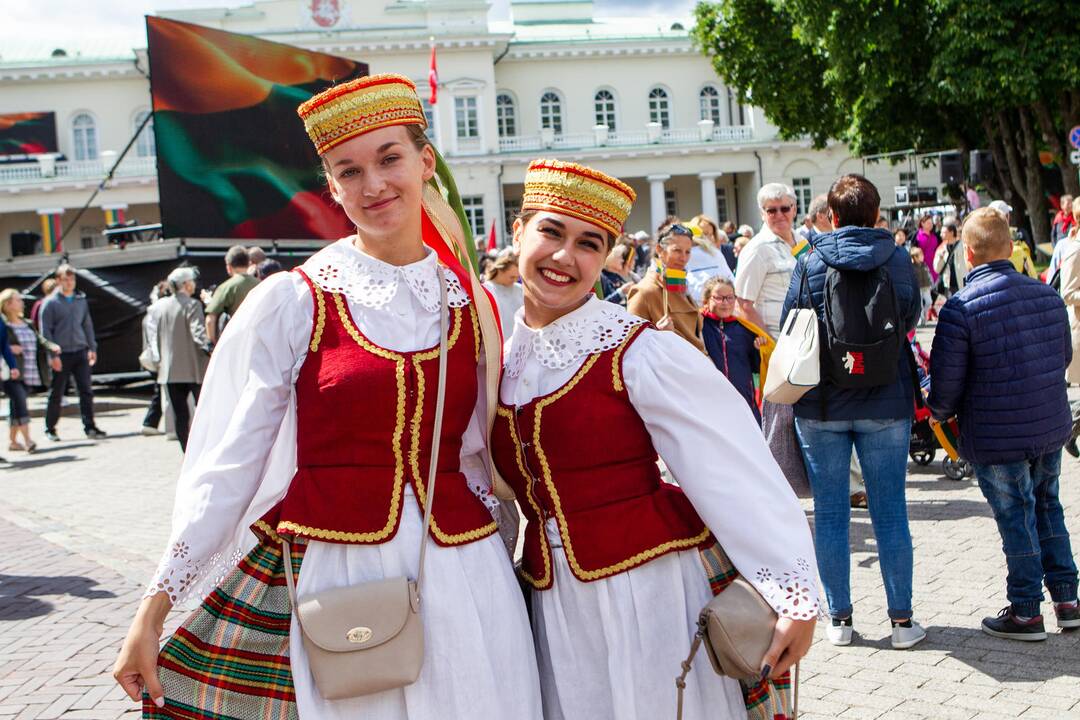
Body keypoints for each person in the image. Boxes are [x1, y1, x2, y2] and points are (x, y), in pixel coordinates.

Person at [113, 74, 540, 719]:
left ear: (426, 162)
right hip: (339, 577)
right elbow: (231, 462)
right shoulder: (295, 300)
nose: (374, 185)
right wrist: (154, 608)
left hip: (468, 575)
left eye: (390, 158)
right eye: (349, 171)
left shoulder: (469, 306)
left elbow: (481, 455)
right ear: (332, 189)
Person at [492, 158, 818, 720]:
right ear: (518, 232)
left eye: (590, 244)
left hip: (648, 596)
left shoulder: (637, 351)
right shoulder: (498, 354)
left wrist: (794, 593)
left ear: (608, 259)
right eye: (550, 231)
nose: (566, 256)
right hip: (554, 604)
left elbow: (736, 469)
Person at [781, 174, 924, 649]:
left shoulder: (811, 258)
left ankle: (839, 620)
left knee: (830, 513)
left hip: (822, 403)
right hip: (886, 399)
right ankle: (902, 622)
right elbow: (911, 314)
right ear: (877, 214)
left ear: (832, 217)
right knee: (890, 511)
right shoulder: (898, 257)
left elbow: (790, 322)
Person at [929, 207, 1079, 640]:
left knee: (1018, 517)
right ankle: (1068, 601)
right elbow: (1063, 359)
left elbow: (946, 385)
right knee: (1049, 508)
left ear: (968, 256)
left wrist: (938, 410)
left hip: (997, 434)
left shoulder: (961, 306)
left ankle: (1026, 609)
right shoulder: (1046, 295)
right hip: (1049, 424)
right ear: (1011, 249)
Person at [39, 264, 105, 441]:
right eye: (66, 279)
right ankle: (50, 428)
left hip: (80, 351)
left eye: (72, 279)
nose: (69, 283)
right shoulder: (50, 303)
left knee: (86, 391)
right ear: (59, 281)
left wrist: (92, 348)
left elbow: (87, 325)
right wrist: (52, 355)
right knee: (57, 392)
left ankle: (90, 427)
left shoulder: (80, 300)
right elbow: (45, 332)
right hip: (62, 354)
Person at [148, 267, 210, 452]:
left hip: (169, 370)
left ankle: (186, 451)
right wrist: (209, 348)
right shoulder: (192, 305)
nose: (194, 285)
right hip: (193, 369)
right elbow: (198, 332)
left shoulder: (159, 306)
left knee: (180, 414)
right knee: (203, 410)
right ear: (185, 284)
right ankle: (203, 448)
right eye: (192, 281)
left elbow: (154, 336)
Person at [700, 276, 772, 423]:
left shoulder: (745, 330)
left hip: (744, 403)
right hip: (711, 403)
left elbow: (757, 369)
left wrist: (759, 351)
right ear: (706, 300)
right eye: (719, 298)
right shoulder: (699, 325)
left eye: (730, 298)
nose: (725, 303)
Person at [627, 223, 705, 352]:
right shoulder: (644, 291)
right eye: (677, 250)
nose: (683, 258)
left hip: (697, 364)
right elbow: (631, 345)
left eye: (688, 252)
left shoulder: (681, 284)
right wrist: (657, 335)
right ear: (659, 250)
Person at [735, 183, 800, 337]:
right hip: (778, 340)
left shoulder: (802, 241)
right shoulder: (757, 249)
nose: (779, 215)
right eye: (771, 210)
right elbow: (744, 304)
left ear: (794, 209)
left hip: (804, 337)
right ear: (762, 214)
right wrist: (770, 343)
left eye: (785, 208)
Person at [1, 289, 57, 453]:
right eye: (18, 300)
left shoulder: (26, 323)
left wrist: (52, 348)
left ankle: (12, 441)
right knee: (20, 402)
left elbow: (40, 340)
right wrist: (10, 349)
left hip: (29, 370)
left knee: (16, 405)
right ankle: (28, 440)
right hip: (10, 371)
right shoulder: (3, 325)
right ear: (7, 305)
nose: (22, 303)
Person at [204, 245, 259, 345]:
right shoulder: (261, 284)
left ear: (228, 266)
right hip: (257, 342)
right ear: (249, 263)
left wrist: (211, 345)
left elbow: (210, 320)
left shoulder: (226, 287)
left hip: (234, 342)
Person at [140, 281, 172, 436]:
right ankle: (151, 423)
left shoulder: (152, 312)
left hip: (156, 358)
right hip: (158, 358)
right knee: (161, 392)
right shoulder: (156, 312)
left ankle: (150, 423)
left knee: (159, 391)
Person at [685, 215, 735, 304]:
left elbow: (731, 282)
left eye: (711, 234)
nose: (709, 238)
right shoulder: (685, 255)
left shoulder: (716, 254)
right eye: (704, 234)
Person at [482, 247, 524, 337]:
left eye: (517, 277)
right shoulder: (486, 289)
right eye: (512, 277)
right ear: (500, 270)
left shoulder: (519, 289)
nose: (515, 280)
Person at [932, 217, 968, 300]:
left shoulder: (962, 245)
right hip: (948, 285)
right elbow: (937, 269)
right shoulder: (942, 248)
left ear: (951, 232)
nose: (941, 234)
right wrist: (940, 257)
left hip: (962, 282)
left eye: (943, 232)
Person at [599, 241, 636, 306]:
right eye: (620, 257)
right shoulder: (601, 276)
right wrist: (621, 292)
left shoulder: (616, 275)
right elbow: (602, 305)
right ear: (612, 258)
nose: (622, 260)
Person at [910, 247, 933, 324]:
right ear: (915, 257)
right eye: (920, 255)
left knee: (929, 302)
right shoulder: (912, 266)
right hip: (917, 288)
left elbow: (929, 275)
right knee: (920, 305)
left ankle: (925, 314)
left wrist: (931, 283)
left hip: (926, 287)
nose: (922, 256)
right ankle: (921, 317)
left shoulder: (924, 264)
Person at [915, 213, 940, 282]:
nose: (931, 225)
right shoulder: (917, 236)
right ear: (922, 223)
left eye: (931, 223)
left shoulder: (935, 236)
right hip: (922, 267)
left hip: (935, 266)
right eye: (928, 223)